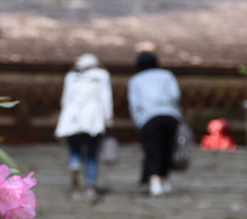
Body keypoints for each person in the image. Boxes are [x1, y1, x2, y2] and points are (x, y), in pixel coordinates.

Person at [54, 53, 113, 197]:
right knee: (92, 153)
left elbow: (65, 99)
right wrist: (108, 117)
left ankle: (74, 163)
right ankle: (90, 183)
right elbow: (105, 97)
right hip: (93, 116)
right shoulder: (101, 75)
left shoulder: (71, 76)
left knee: (75, 149)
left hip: (72, 116)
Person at [127, 51, 183, 196]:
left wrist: (138, 122)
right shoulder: (167, 75)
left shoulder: (136, 80)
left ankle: (155, 181)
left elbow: (134, 104)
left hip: (148, 118)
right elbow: (175, 95)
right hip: (170, 115)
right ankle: (165, 180)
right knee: (167, 148)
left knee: (153, 150)